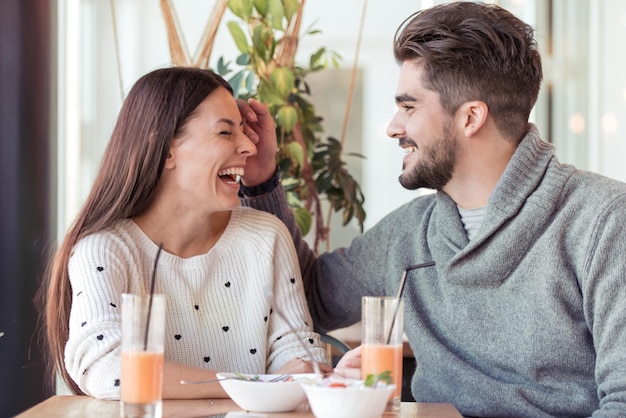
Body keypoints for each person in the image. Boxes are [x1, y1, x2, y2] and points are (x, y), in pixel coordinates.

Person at [237, 2, 626, 417]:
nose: (392, 127)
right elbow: (307, 297)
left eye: (409, 107)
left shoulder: (603, 222)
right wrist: (261, 182)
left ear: (471, 117)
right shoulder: (411, 232)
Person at [40, 67, 329, 400]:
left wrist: (289, 376)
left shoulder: (265, 237)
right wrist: (251, 386)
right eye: (225, 132)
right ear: (166, 151)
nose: (249, 145)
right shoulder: (105, 250)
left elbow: (302, 360)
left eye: (243, 132)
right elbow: (106, 369)